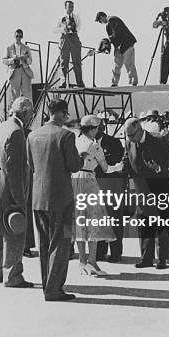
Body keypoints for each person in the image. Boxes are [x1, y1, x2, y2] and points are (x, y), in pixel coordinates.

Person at [27, 99, 83, 301]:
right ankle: (54, 289)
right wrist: (82, 158)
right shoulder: (66, 135)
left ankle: (47, 286)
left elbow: (31, 165)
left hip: (39, 197)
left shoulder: (33, 135)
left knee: (44, 243)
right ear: (63, 113)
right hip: (62, 197)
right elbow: (74, 165)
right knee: (60, 243)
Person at [0, 96, 34, 288]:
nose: (31, 116)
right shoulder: (17, 132)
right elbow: (15, 168)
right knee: (15, 229)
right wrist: (19, 196)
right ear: (25, 112)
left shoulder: (2, 127)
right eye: (30, 113)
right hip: (13, 184)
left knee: (0, 226)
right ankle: (13, 275)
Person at [122, 117, 169, 269]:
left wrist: (159, 167)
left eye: (132, 135)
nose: (130, 138)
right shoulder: (129, 142)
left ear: (140, 130)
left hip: (161, 187)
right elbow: (127, 161)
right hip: (142, 190)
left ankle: (162, 259)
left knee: (163, 223)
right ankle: (146, 258)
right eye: (128, 136)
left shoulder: (158, 139)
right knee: (144, 224)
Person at [72, 115, 116, 276]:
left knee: (79, 220)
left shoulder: (75, 141)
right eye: (97, 128)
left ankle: (82, 261)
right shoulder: (94, 145)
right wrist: (119, 166)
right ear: (92, 128)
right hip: (88, 181)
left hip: (74, 180)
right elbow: (105, 168)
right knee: (93, 220)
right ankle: (91, 261)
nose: (98, 130)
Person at [94, 118, 127, 262]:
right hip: (94, 186)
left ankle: (115, 252)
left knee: (114, 219)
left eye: (96, 127)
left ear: (102, 128)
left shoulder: (113, 143)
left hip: (111, 186)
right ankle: (100, 251)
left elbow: (116, 162)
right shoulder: (85, 142)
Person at [95, 11, 138, 86]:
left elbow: (117, 33)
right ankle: (114, 82)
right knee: (117, 65)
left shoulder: (112, 20)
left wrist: (108, 39)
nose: (100, 22)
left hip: (127, 44)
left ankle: (134, 82)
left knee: (129, 63)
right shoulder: (108, 24)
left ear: (102, 17)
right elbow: (114, 38)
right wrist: (108, 46)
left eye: (100, 20)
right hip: (119, 47)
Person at [56, 0, 84, 88]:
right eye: (69, 7)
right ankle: (63, 82)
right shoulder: (61, 18)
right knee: (64, 61)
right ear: (65, 7)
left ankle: (79, 82)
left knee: (77, 61)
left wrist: (73, 30)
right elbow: (55, 29)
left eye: (72, 7)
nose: (71, 9)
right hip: (65, 38)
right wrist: (63, 29)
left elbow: (79, 27)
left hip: (74, 38)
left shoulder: (76, 17)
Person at [3, 29, 34, 102]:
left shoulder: (26, 48)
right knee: (15, 93)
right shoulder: (9, 48)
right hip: (14, 71)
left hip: (24, 70)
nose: (18, 38)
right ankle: (15, 110)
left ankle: (29, 110)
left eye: (20, 36)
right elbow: (4, 60)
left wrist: (24, 58)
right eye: (17, 36)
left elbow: (30, 61)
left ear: (22, 37)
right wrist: (12, 60)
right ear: (14, 36)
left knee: (27, 93)